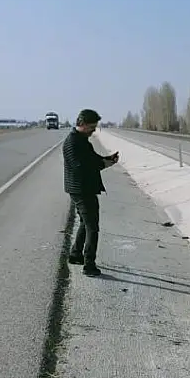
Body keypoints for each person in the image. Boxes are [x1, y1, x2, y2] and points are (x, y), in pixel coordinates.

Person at [62, 109, 119, 276]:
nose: (94, 130)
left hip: (84, 189)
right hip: (81, 190)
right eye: (92, 127)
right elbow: (80, 167)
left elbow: (92, 159)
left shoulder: (82, 141)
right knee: (92, 227)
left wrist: (107, 160)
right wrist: (102, 164)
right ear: (83, 124)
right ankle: (89, 265)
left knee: (85, 223)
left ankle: (75, 254)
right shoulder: (72, 142)